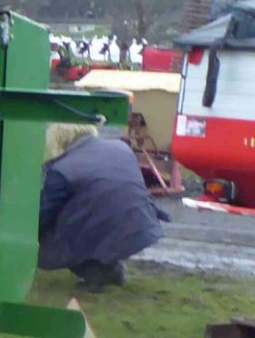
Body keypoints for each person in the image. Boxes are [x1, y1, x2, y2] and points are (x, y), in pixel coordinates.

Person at [38, 123, 170, 289]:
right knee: (96, 212)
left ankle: (96, 272)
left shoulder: (63, 169)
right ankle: (109, 266)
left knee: (53, 232)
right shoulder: (121, 148)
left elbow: (45, 212)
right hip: (142, 225)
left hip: (107, 227)